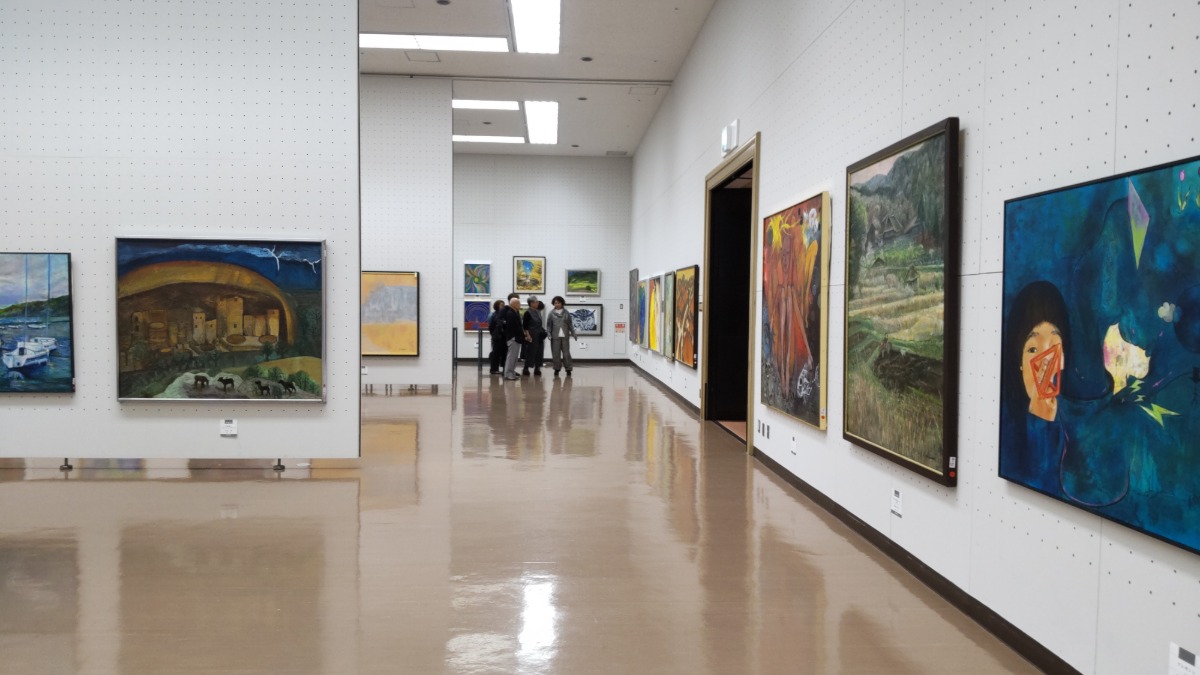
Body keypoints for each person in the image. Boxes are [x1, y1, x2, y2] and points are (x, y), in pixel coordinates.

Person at [545, 295, 577, 377]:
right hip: (555, 336)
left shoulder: (566, 313)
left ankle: (568, 369)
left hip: (565, 336)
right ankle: (557, 369)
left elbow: (570, 324)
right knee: (556, 353)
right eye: (555, 303)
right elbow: (548, 325)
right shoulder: (551, 313)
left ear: (562, 303)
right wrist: (549, 334)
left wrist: (573, 333)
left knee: (566, 353)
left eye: (558, 303)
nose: (557, 304)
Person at [500, 293, 526, 381]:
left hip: (517, 338)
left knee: (514, 358)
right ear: (514, 304)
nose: (520, 305)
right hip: (513, 338)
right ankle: (508, 374)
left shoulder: (515, 312)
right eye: (518, 303)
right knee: (511, 357)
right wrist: (513, 337)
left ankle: (511, 372)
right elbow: (510, 327)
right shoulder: (510, 313)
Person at [522, 295, 546, 376]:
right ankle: (526, 368)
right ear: (531, 303)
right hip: (531, 334)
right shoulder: (527, 313)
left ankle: (537, 367)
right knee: (530, 351)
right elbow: (525, 326)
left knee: (539, 351)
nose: (537, 303)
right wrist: (527, 335)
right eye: (536, 302)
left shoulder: (538, 311)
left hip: (539, 335)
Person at [487, 299, 506, 375]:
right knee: (496, 353)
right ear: (497, 306)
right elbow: (491, 327)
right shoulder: (493, 315)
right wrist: (494, 334)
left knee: (503, 353)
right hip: (496, 337)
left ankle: (503, 368)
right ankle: (494, 369)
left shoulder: (504, 315)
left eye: (503, 305)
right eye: (501, 305)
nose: (503, 306)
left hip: (503, 337)